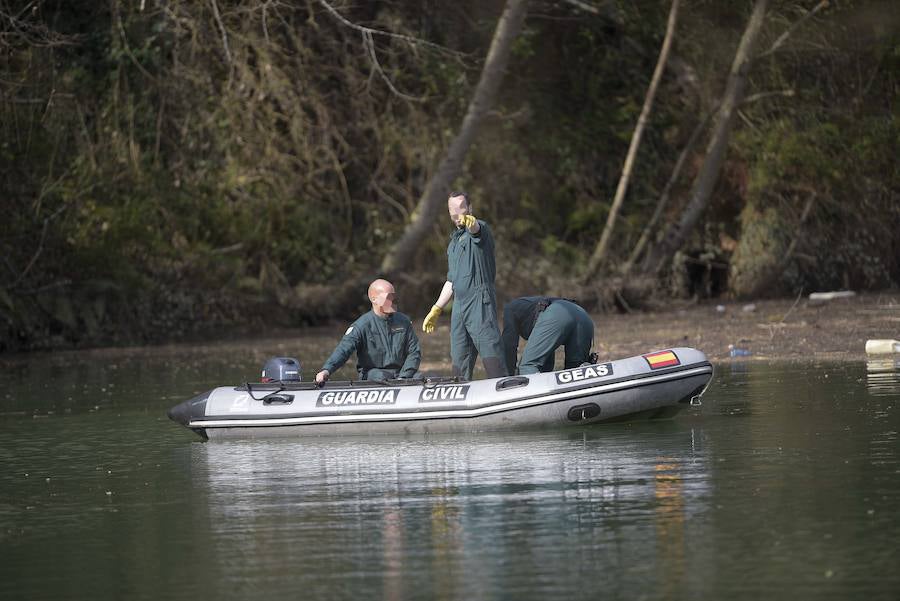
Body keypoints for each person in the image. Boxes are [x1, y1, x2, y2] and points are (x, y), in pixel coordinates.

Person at [421, 192, 508, 380]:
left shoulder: (480, 229)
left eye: (461, 208)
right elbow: (451, 281)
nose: (457, 214)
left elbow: (476, 230)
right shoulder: (453, 243)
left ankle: (503, 384)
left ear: (470, 208)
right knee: (459, 355)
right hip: (459, 306)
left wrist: (473, 223)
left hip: (479, 300)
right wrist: (436, 308)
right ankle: (459, 390)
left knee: (489, 346)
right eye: (453, 210)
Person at [315, 279, 420, 383]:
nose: (392, 301)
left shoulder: (404, 321)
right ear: (374, 299)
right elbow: (343, 350)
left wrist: (404, 377)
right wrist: (326, 370)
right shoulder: (361, 325)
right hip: (374, 374)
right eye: (388, 297)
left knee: (422, 377)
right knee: (379, 376)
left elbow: (414, 352)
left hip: (401, 373)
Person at [501, 296, 595, 375]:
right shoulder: (532, 306)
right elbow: (546, 363)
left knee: (528, 366)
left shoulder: (509, 309)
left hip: (557, 313)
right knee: (575, 372)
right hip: (583, 315)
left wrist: (508, 377)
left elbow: (509, 346)